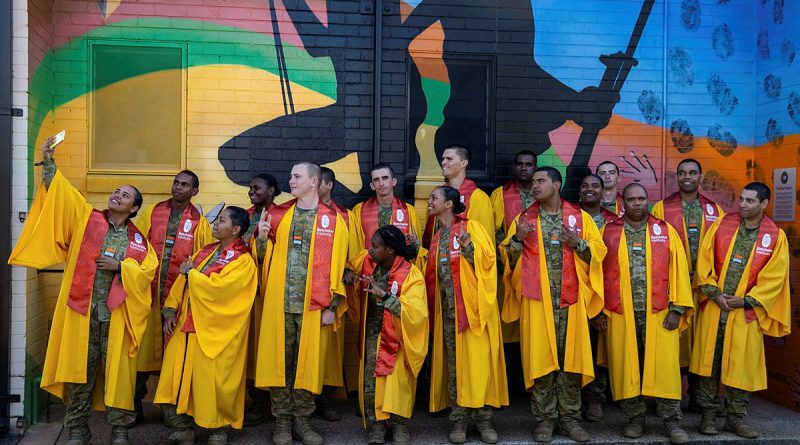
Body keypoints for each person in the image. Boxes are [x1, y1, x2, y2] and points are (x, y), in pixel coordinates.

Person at [9, 138, 157, 445]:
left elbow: (147, 274)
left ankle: (119, 430)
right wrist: (49, 163)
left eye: (126, 195)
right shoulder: (88, 218)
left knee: (118, 377)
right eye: (117, 191)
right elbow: (61, 195)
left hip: (117, 317)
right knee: (80, 374)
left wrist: (121, 268)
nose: (117, 195)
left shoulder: (139, 241)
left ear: (135, 208)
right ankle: (77, 428)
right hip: (82, 311)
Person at [499, 167, 606, 443]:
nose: (534, 186)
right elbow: (507, 259)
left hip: (571, 302)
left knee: (570, 362)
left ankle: (570, 419)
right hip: (537, 302)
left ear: (556, 185)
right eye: (533, 182)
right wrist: (517, 241)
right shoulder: (524, 219)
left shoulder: (580, 218)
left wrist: (579, 244)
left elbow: (599, 252)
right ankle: (545, 420)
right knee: (542, 361)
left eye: (540, 181)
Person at [255, 162, 350, 445]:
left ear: (313, 181)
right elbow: (261, 259)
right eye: (291, 175)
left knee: (307, 366)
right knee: (280, 364)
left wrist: (332, 307)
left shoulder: (333, 220)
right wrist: (260, 240)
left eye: (297, 176)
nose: (291, 180)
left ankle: (303, 421)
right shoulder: (278, 215)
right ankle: (282, 422)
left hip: (314, 306)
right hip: (280, 303)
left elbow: (339, 265)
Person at [690, 182, 791, 439]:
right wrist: (714, 293)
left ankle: (735, 419)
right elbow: (704, 260)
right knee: (708, 365)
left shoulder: (775, 236)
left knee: (741, 367)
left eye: (749, 201)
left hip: (745, 312)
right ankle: (708, 417)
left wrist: (746, 301)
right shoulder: (722, 225)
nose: (743, 205)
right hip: (716, 307)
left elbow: (775, 277)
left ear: (763, 203)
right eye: (742, 199)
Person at [154, 206, 258, 445]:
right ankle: (184, 428)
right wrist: (170, 310)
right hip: (186, 325)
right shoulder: (206, 251)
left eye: (221, 221)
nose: (214, 224)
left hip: (215, 331)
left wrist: (192, 275)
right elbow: (183, 278)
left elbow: (223, 290)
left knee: (211, 381)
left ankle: (217, 430)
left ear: (236, 229)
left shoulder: (243, 261)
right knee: (178, 377)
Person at [598, 183, 693, 444]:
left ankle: (672, 422)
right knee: (628, 367)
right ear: (623, 203)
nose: (637, 203)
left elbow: (679, 271)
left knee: (665, 368)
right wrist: (599, 311)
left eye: (642, 198)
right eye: (631, 199)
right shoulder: (609, 232)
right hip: (621, 313)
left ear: (648, 201)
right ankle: (634, 419)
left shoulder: (664, 230)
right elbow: (597, 272)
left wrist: (677, 309)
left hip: (659, 312)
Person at [426, 186, 508, 444]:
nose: (429, 202)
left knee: (478, 366)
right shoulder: (438, 235)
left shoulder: (471, 227)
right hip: (449, 316)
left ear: (449, 204)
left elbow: (488, 262)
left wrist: (468, 248)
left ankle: (483, 421)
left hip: (473, 313)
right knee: (455, 369)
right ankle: (459, 421)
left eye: (434, 198)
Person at [133, 170, 213, 423]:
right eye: (176, 183)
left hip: (176, 299)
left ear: (195, 191)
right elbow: (137, 244)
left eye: (185, 185)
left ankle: (173, 409)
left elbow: (203, 260)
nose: (178, 187)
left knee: (174, 355)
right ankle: (133, 404)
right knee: (139, 353)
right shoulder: (154, 212)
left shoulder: (199, 221)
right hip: (148, 295)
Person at [651, 159, 724, 409]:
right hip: (674, 289)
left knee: (702, 345)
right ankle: (669, 396)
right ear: (677, 177)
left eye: (693, 172)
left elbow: (721, 250)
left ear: (700, 176)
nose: (687, 177)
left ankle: (698, 397)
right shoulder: (662, 208)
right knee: (675, 343)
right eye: (682, 173)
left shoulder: (715, 210)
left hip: (705, 291)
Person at [346, 226, 429, 445]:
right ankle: (377, 425)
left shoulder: (411, 274)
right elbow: (349, 267)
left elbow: (417, 311)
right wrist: (348, 276)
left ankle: (399, 424)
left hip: (399, 337)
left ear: (390, 250)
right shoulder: (370, 265)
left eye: (375, 246)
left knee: (397, 382)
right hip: (374, 334)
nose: (369, 250)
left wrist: (387, 297)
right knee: (373, 380)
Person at [315, 166, 360, 421]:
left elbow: (351, 255)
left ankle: (324, 398)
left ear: (329, 185)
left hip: (332, 291)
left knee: (330, 349)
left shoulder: (344, 215)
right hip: (306, 290)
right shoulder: (298, 211)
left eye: (318, 182)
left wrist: (346, 274)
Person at [242, 172, 281, 426]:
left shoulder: (281, 217)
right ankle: (253, 398)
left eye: (257, 188)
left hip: (268, 291)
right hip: (243, 290)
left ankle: (265, 403)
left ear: (272, 190)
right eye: (249, 188)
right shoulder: (244, 215)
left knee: (265, 346)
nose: (251, 192)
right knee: (249, 347)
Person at [576, 173, 616, 421]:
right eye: (584, 185)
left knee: (598, 350)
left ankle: (595, 400)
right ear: (578, 191)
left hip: (607, 291)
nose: (590, 190)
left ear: (603, 191)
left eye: (595, 186)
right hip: (577, 290)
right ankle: (571, 401)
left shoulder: (614, 222)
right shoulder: (570, 217)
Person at [489, 150, 536, 345]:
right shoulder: (501, 194)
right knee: (507, 322)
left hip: (536, 271)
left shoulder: (543, 194)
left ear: (535, 168)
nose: (523, 168)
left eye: (528, 164)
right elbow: (494, 233)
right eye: (520, 164)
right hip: (508, 268)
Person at [422, 145, 494, 246]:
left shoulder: (478, 198)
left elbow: (485, 242)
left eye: (449, 159)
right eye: (443, 159)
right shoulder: (437, 195)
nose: (443, 162)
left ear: (463, 163)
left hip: (463, 259)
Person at [351, 163, 422, 257]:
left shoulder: (409, 211)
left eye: (385, 178)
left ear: (394, 181)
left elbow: (416, 248)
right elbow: (354, 247)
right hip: (369, 267)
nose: (381, 183)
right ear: (372, 186)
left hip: (399, 268)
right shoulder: (359, 211)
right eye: (376, 180)